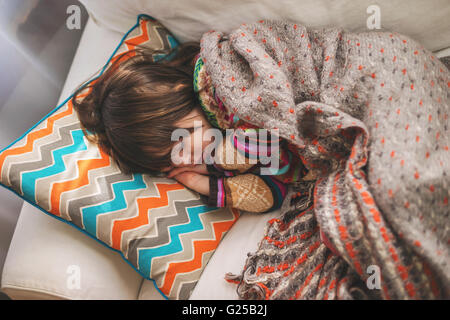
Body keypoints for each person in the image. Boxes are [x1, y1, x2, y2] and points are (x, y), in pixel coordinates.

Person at [72, 42, 310, 213]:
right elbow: (274, 194)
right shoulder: (216, 148)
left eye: (180, 141)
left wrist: (219, 160)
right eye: (172, 160)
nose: (185, 159)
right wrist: (203, 183)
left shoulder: (218, 82)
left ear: (178, 92)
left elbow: (267, 135)